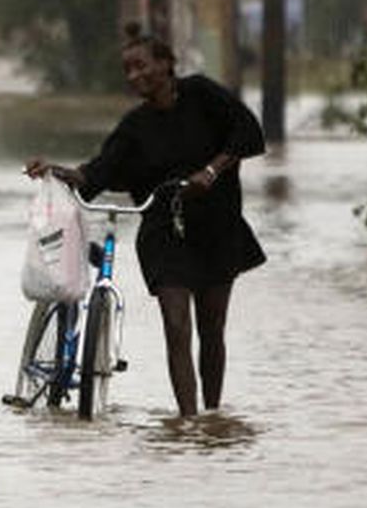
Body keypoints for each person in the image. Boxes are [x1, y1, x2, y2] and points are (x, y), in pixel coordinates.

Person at [24, 24, 266, 419]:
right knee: (176, 324)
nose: (136, 76)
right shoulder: (134, 127)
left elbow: (249, 133)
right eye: (128, 70)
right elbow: (97, 173)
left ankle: (213, 416)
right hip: (164, 232)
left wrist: (212, 170)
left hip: (218, 227)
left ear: (167, 64)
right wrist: (55, 170)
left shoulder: (203, 94)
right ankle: (188, 421)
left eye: (142, 66)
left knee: (212, 328)